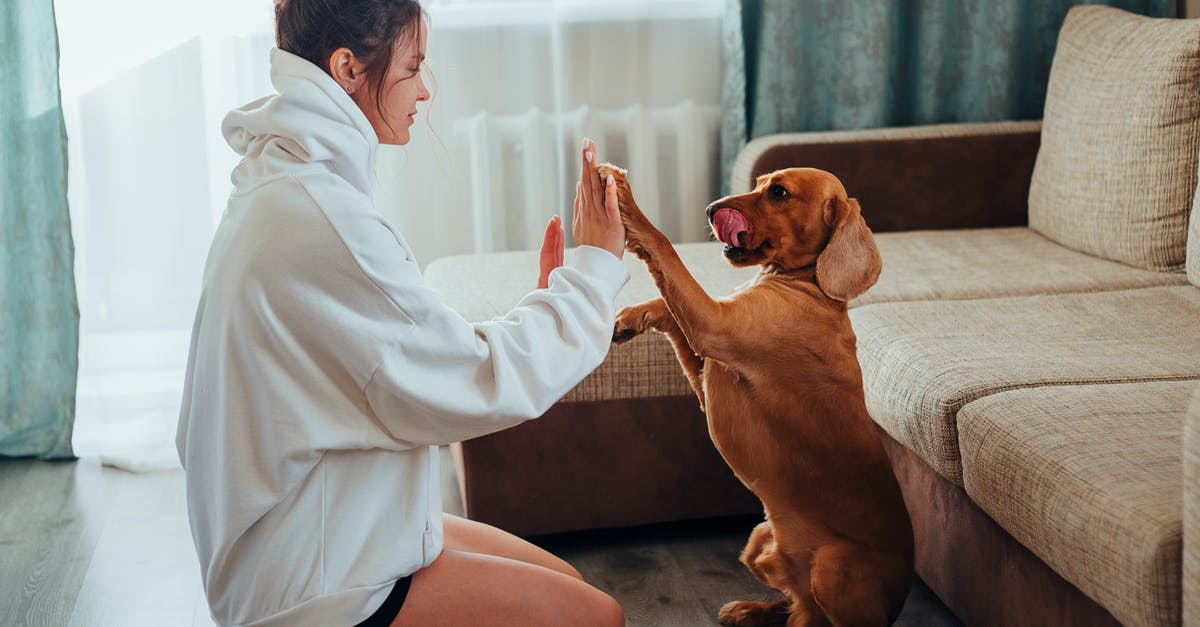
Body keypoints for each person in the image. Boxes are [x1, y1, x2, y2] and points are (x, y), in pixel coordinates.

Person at [175, 1, 628, 625]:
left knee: (566, 582)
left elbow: (407, 353)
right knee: (594, 617)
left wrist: (554, 299)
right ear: (347, 68)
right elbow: (469, 380)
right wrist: (596, 272)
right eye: (413, 68)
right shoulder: (320, 216)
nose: (424, 91)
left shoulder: (287, 181)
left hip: (321, 522)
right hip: (314, 580)